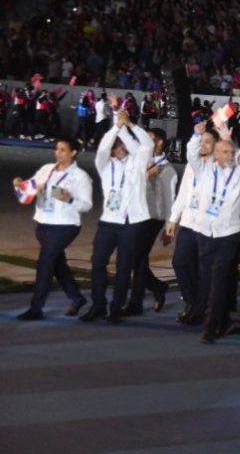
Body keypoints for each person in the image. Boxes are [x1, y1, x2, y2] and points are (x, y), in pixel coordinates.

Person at [80, 108, 154, 323]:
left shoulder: (138, 163)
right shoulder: (104, 166)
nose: (118, 148)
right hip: (109, 221)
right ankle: (98, 305)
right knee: (98, 262)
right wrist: (116, 127)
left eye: (121, 144)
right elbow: (103, 148)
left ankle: (116, 307)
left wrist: (128, 126)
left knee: (124, 267)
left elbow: (146, 145)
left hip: (133, 222)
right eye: (116, 146)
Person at [12, 137, 93, 320]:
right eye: (57, 149)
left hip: (65, 225)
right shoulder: (46, 170)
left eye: (63, 149)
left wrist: (70, 198)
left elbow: (86, 205)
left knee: (45, 263)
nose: (58, 153)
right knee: (57, 264)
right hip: (43, 222)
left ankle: (36, 308)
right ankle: (77, 298)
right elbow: (29, 188)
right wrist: (19, 185)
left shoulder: (80, 177)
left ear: (73, 153)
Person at [187, 121, 240, 343]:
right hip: (206, 233)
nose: (229, 155)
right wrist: (196, 136)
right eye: (224, 151)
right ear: (215, 153)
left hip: (229, 234)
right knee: (208, 279)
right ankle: (222, 320)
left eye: (232, 151)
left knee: (219, 279)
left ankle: (211, 327)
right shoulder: (205, 171)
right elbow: (192, 155)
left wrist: (238, 144)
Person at [165, 127, 219, 324]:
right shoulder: (191, 165)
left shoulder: (219, 167)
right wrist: (173, 218)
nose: (203, 145)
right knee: (180, 262)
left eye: (207, 142)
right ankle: (192, 302)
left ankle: (200, 308)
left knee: (203, 269)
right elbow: (183, 193)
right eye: (201, 141)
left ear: (215, 146)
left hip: (207, 226)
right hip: (188, 222)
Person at [126, 128, 175, 315]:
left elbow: (171, 198)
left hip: (153, 218)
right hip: (135, 215)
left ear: (160, 142)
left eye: (150, 138)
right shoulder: (140, 161)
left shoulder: (167, 169)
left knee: (136, 258)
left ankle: (136, 303)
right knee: (135, 259)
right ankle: (156, 287)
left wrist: (170, 226)